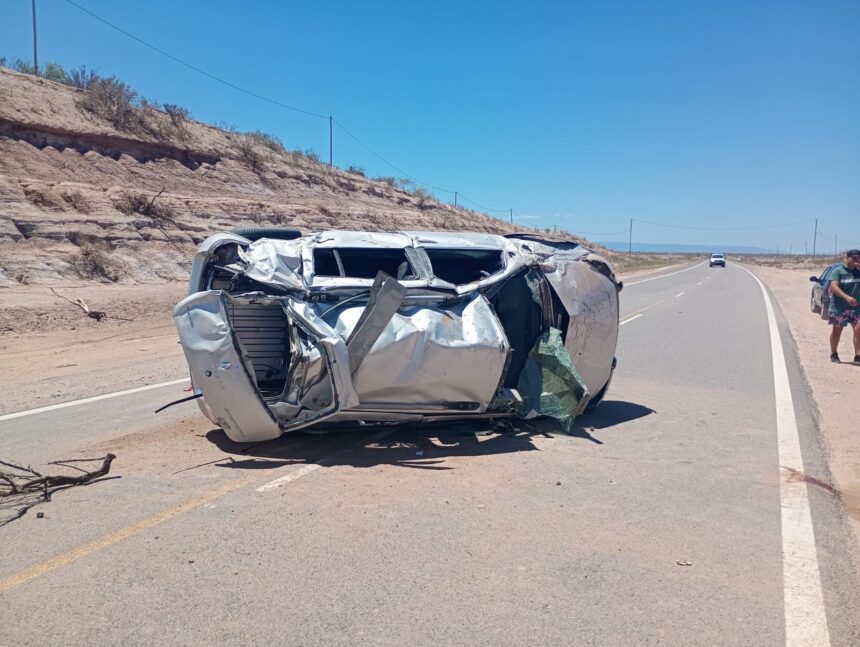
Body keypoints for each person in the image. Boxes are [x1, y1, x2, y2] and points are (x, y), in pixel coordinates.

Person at [828, 249, 860, 364]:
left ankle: (858, 355)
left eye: (859, 258)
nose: (857, 260)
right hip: (839, 307)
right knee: (837, 330)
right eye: (854, 258)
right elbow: (834, 287)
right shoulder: (838, 271)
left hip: (856, 308)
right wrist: (846, 297)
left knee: (859, 329)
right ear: (847, 258)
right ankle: (833, 353)